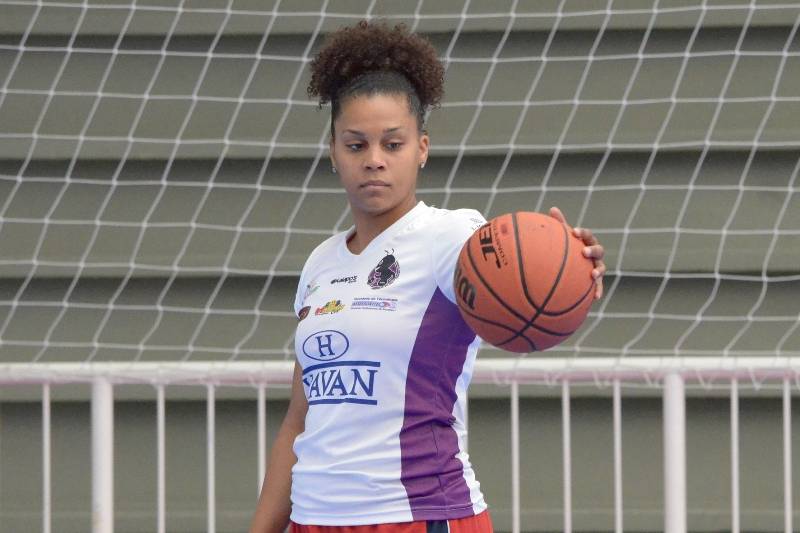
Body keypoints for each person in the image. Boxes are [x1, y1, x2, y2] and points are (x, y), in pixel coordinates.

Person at [249, 20, 606, 533]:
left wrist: (572, 263)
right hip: (315, 519)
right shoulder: (320, 263)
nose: (374, 161)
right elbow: (298, 422)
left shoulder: (449, 236)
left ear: (421, 148)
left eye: (392, 144)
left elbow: (520, 266)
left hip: (421, 515)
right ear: (333, 151)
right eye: (356, 145)